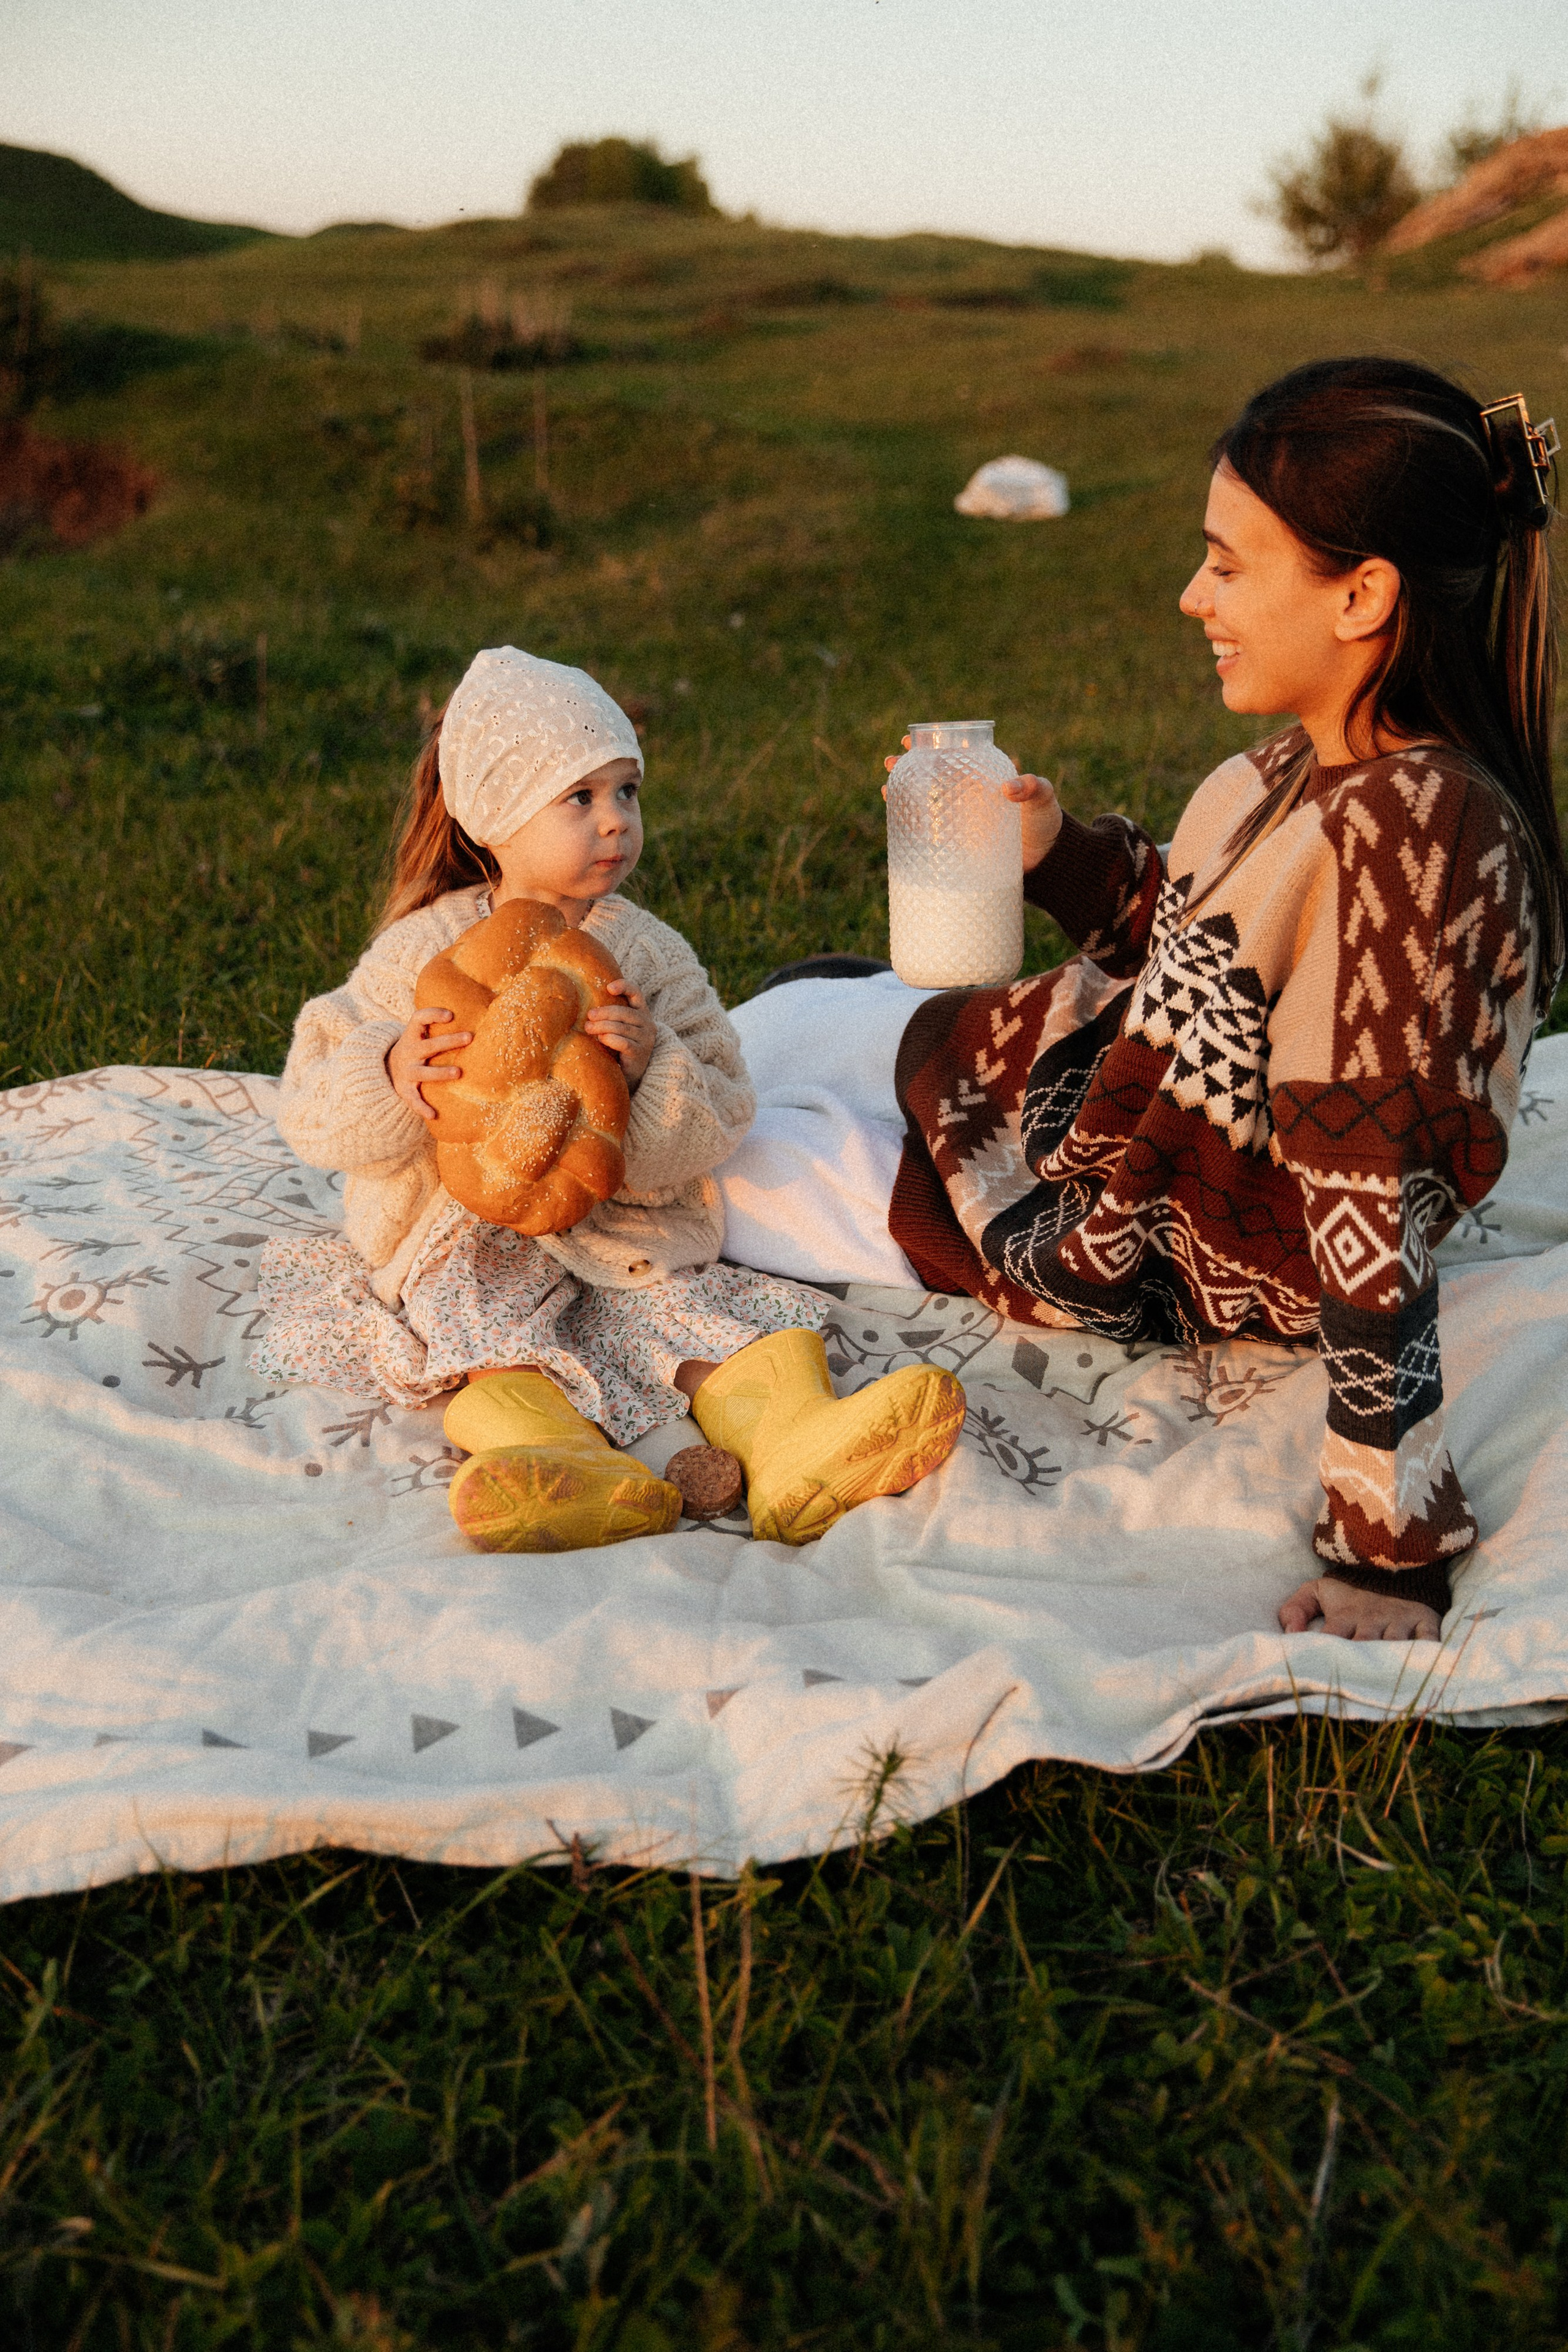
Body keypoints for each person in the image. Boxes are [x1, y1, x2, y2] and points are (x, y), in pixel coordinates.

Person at [890, 359, 1563, 1643]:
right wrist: (1061, 858)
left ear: (1360, 594)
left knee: (783, 1074)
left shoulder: (1412, 833)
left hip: (1147, 1226)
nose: (1189, 595)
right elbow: (1205, 967)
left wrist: (1387, 1542)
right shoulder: (1303, 768)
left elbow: (1366, 1182)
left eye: (1227, 564)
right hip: (1098, 1083)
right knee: (835, 1015)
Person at [255, 646, 963, 1551]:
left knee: (714, 1323)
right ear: (496, 816)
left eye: (626, 792)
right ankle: (552, 1463)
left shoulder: (652, 955)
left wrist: (648, 1070)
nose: (615, 823)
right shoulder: (421, 950)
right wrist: (389, 1071)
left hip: (622, 1230)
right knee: (490, 1344)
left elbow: (724, 1110)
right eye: (579, 799)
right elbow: (311, 1103)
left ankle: (798, 1442)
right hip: (463, 1238)